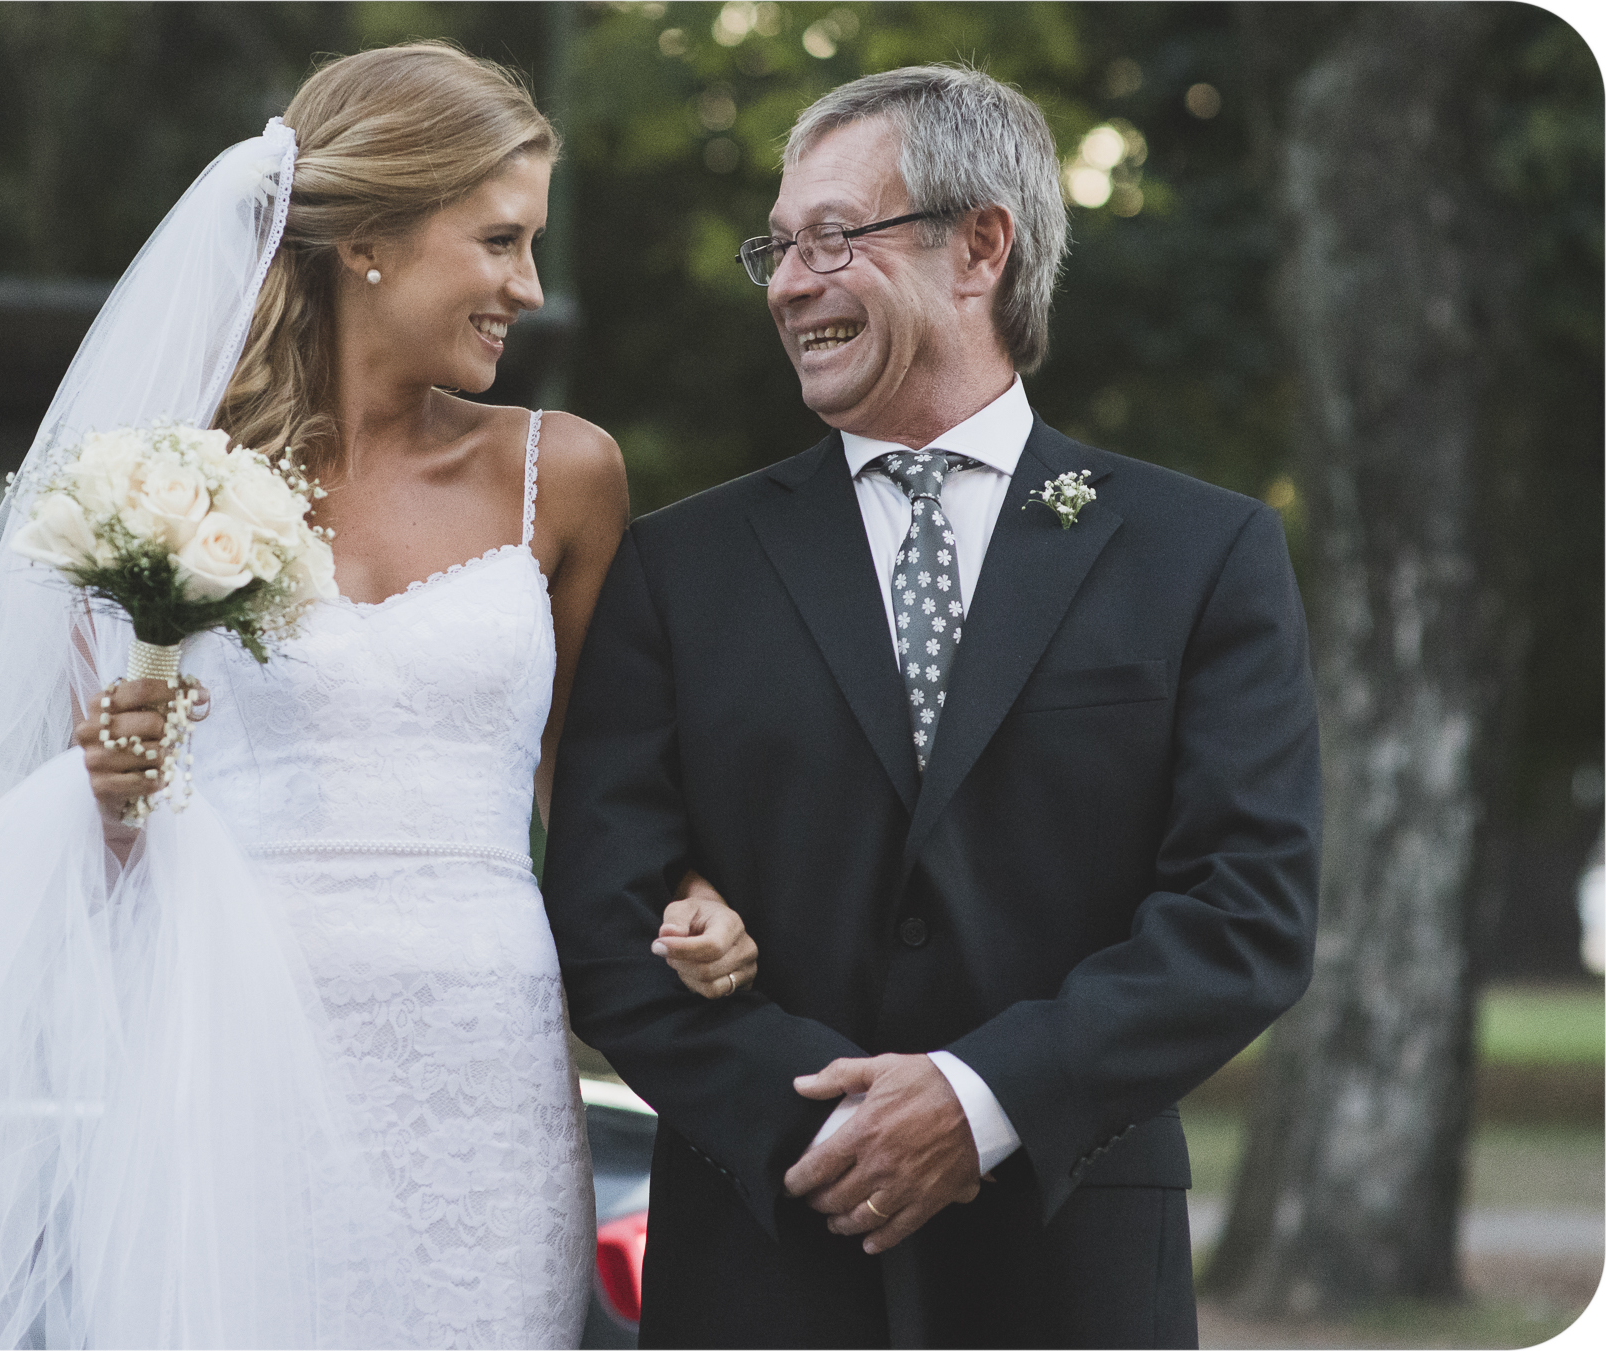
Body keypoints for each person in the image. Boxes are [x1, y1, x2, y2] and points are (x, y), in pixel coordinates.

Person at [0, 44, 752, 1350]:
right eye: (501, 240)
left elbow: (607, 802)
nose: (530, 286)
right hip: (231, 1068)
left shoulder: (563, 474)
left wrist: (698, 896)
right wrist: (109, 790)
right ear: (375, 242)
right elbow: (103, 868)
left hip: (480, 1076)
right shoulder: (153, 486)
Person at [543, 63, 1321, 1349]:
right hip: (761, 1263)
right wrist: (828, 1132)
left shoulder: (1202, 553)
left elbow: (1246, 912)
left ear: (979, 246)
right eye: (778, 247)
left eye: (834, 238)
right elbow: (604, 907)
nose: (791, 282)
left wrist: (978, 1102)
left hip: (1070, 1264)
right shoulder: (678, 568)